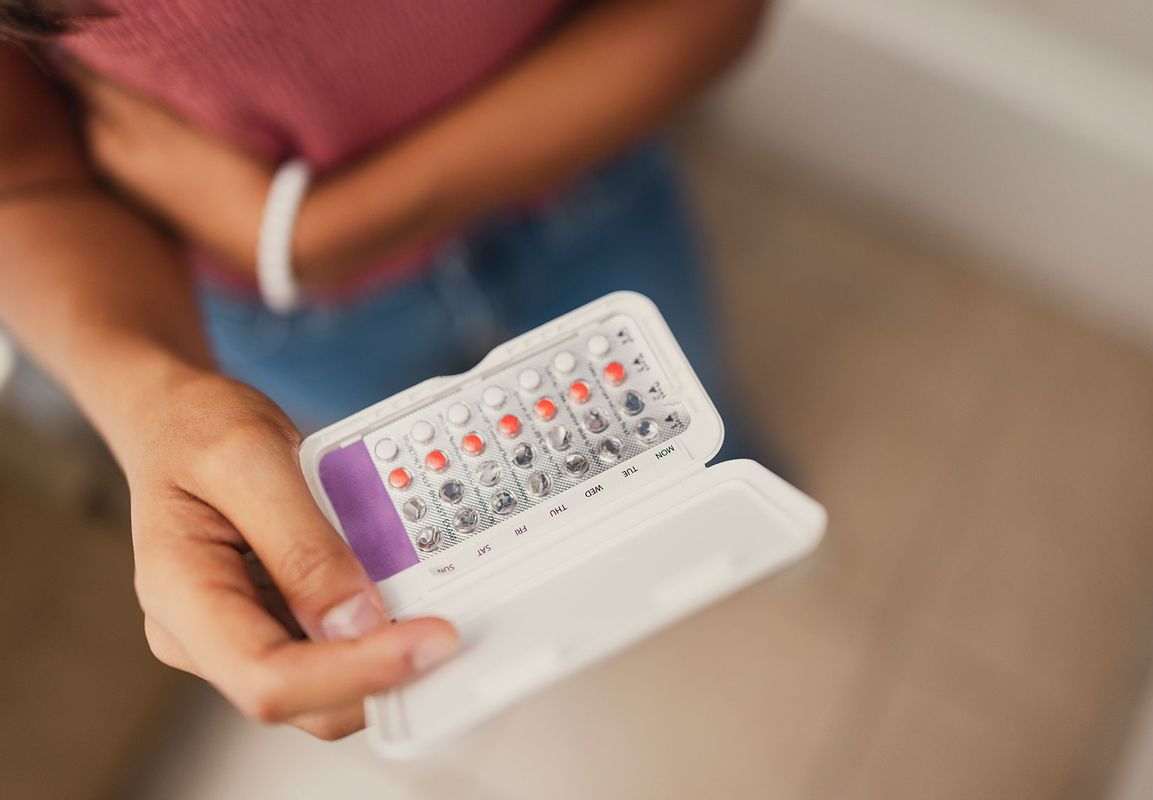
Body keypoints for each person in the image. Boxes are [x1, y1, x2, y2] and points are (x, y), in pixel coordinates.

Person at [0, 0, 767, 740]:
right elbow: (22, 178)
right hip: (292, 321)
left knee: (693, 434)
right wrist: (149, 396)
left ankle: (728, 499)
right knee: (461, 527)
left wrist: (308, 233)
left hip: (589, 178)